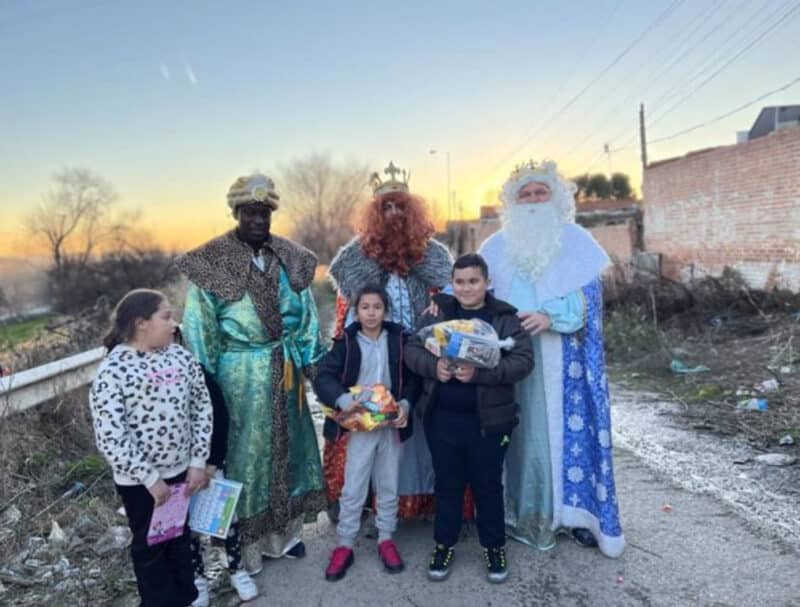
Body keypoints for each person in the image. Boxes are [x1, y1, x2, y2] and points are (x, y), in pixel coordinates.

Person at [177, 173, 327, 574]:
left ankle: (287, 535)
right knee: (245, 457)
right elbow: (200, 331)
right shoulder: (211, 264)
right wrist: (205, 388)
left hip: (287, 373)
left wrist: (318, 370)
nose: (259, 221)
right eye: (251, 213)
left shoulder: (291, 259)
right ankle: (246, 548)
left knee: (291, 449)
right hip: (238, 378)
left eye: (265, 213)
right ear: (236, 213)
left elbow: (308, 321)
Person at [478, 159, 625, 558]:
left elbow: (588, 303)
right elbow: (475, 295)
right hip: (509, 360)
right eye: (524, 194)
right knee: (518, 437)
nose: (532, 200)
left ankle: (573, 517)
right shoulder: (494, 247)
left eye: (540, 192)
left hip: (563, 359)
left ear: (555, 197)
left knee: (561, 438)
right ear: (511, 202)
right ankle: (517, 513)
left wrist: (549, 316)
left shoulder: (577, 241)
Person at [325, 161, 453, 519]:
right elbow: (344, 309)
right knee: (372, 423)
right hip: (374, 354)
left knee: (423, 422)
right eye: (386, 207)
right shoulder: (355, 256)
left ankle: (424, 502)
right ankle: (365, 503)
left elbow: (449, 298)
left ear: (412, 210)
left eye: (401, 206)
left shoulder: (434, 254)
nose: (394, 213)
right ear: (375, 213)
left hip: (423, 353)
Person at [404, 254, 534, 583]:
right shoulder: (439, 311)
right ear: (453, 282)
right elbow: (410, 349)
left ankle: (494, 547)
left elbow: (522, 362)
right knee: (447, 484)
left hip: (489, 422)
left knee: (487, 485)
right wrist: (434, 367)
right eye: (460, 281)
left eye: (473, 281)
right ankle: (443, 544)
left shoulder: (504, 317)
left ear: (486, 282)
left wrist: (480, 373)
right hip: (442, 419)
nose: (466, 288)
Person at [89, 289, 213, 607]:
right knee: (151, 552)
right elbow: (111, 436)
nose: (174, 324)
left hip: (181, 475)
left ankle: (186, 600)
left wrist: (198, 461)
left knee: (178, 543)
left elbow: (201, 407)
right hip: (142, 485)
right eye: (167, 316)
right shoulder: (113, 371)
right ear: (142, 323)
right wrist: (150, 479)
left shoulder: (180, 357)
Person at [313, 285, 419, 581]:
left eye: (377, 307)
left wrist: (407, 406)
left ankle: (386, 538)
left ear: (385, 311)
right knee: (354, 486)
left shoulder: (399, 339)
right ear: (355, 311)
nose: (371, 313)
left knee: (388, 484)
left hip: (390, 427)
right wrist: (344, 400)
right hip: (361, 429)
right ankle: (345, 544)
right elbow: (324, 377)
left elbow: (413, 380)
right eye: (365, 307)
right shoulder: (346, 343)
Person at [181, 336, 258, 605]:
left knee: (224, 520)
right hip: (176, 471)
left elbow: (219, 419)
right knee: (187, 529)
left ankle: (236, 570)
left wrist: (213, 462)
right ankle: (197, 580)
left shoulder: (199, 374)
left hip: (209, 466)